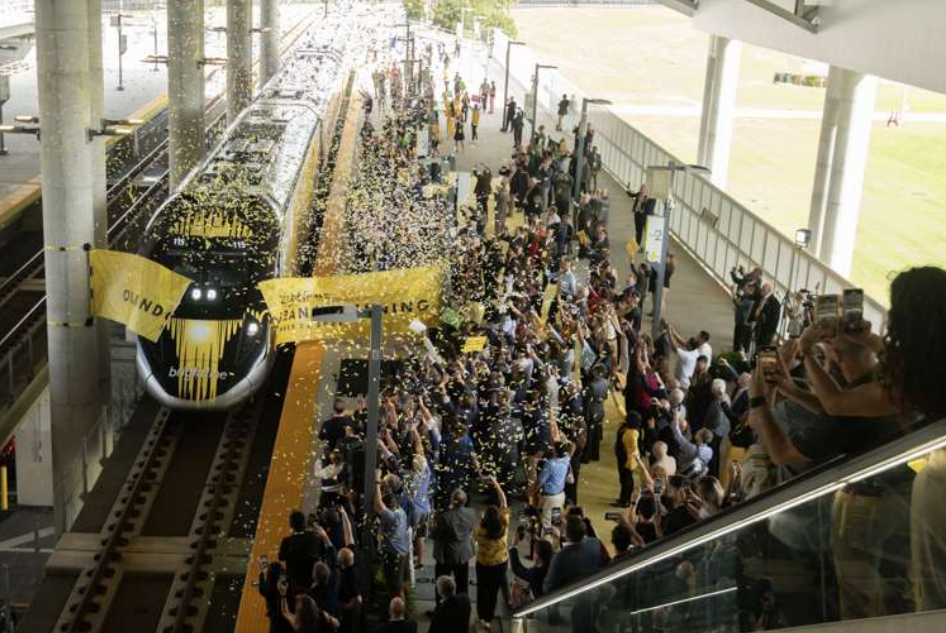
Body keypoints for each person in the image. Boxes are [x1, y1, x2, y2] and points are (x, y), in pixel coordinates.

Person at [474, 476, 510, 629]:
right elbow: (504, 501)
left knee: (482, 589)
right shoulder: (504, 525)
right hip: (500, 563)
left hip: (483, 564)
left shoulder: (480, 532)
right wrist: (496, 483)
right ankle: (488, 617)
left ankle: (481, 616)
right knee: (494, 590)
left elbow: (474, 538)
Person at [430, 489, 477, 606]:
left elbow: (435, 535)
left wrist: (432, 525)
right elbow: (471, 529)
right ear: (465, 501)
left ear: (452, 500)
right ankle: (462, 608)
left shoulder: (444, 517)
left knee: (442, 584)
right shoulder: (471, 513)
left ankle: (440, 609)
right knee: (462, 584)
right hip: (463, 553)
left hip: (446, 555)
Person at [543, 515, 606, 593]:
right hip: (591, 587)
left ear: (566, 535)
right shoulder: (595, 542)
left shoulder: (560, 557)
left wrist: (551, 546)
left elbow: (548, 588)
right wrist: (560, 537)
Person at [374, 473, 411, 599]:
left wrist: (377, 483)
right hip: (403, 551)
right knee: (401, 584)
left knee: (395, 587)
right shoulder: (400, 511)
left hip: (394, 555)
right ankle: (403, 608)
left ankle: (398, 611)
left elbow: (378, 505)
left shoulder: (391, 516)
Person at [279, 511, 336, 589]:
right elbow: (322, 552)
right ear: (304, 523)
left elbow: (281, 557)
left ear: (291, 525)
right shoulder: (313, 538)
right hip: (312, 580)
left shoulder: (287, 541)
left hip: (294, 582)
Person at [509, 529, 554, 599]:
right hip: (550, 596)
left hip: (538, 600)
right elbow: (547, 548)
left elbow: (517, 568)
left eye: (535, 552)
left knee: (515, 584)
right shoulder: (554, 565)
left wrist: (513, 545)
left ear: (537, 556)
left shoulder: (535, 573)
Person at [537, 441, 571, 527]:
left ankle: (547, 539)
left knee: (546, 524)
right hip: (560, 496)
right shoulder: (566, 459)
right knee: (555, 522)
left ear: (555, 451)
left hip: (550, 499)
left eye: (552, 448)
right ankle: (559, 537)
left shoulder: (550, 464)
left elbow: (540, 481)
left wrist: (532, 491)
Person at [614, 412, 642, 508]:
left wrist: (633, 454)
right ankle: (623, 498)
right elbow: (621, 411)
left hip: (627, 459)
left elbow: (634, 447)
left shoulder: (631, 433)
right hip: (623, 456)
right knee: (624, 478)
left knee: (626, 479)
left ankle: (625, 500)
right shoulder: (628, 427)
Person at [259, 560, 295, 633]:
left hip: (275, 621)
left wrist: (262, 574)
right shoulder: (287, 584)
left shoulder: (268, 588)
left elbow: (261, 588)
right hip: (288, 618)